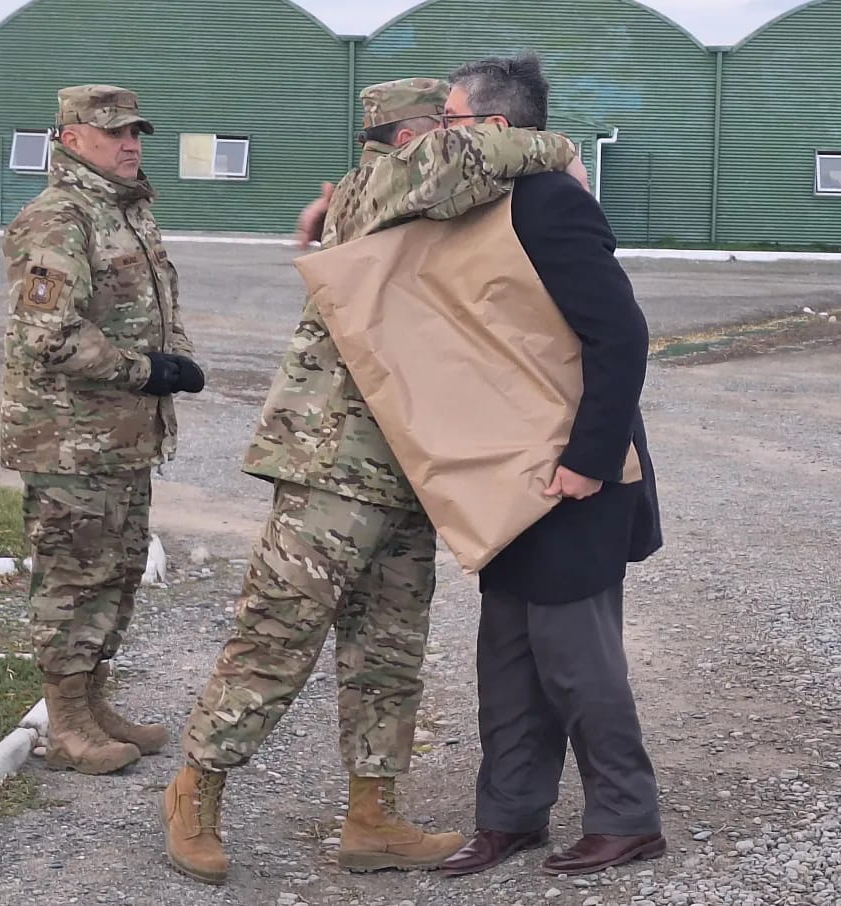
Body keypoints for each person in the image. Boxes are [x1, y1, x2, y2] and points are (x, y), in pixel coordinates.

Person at [162, 78, 582, 886]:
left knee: (389, 652)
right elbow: (480, 150)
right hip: (332, 467)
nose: (462, 135)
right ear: (406, 136)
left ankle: (371, 817)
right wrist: (560, 152)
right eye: (446, 124)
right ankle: (195, 792)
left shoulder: (416, 191)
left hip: (407, 464)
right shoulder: (382, 181)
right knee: (278, 638)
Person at [427, 55, 669, 879]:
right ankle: (511, 816)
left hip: (577, 477)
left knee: (576, 659)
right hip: (511, 471)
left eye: (450, 121)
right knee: (509, 656)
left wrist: (590, 461)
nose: (438, 134)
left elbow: (620, 336)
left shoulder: (552, 203)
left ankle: (628, 817)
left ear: (494, 129)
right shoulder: (479, 206)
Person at [1, 84, 204, 777]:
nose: (130, 144)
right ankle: (66, 725)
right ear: (70, 138)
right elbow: (47, 336)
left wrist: (171, 359)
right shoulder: (57, 219)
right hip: (69, 439)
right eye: (112, 132)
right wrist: (147, 370)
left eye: (135, 132)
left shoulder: (126, 212)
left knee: (115, 572)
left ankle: (92, 705)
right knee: (72, 576)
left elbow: (145, 307)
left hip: (120, 438)